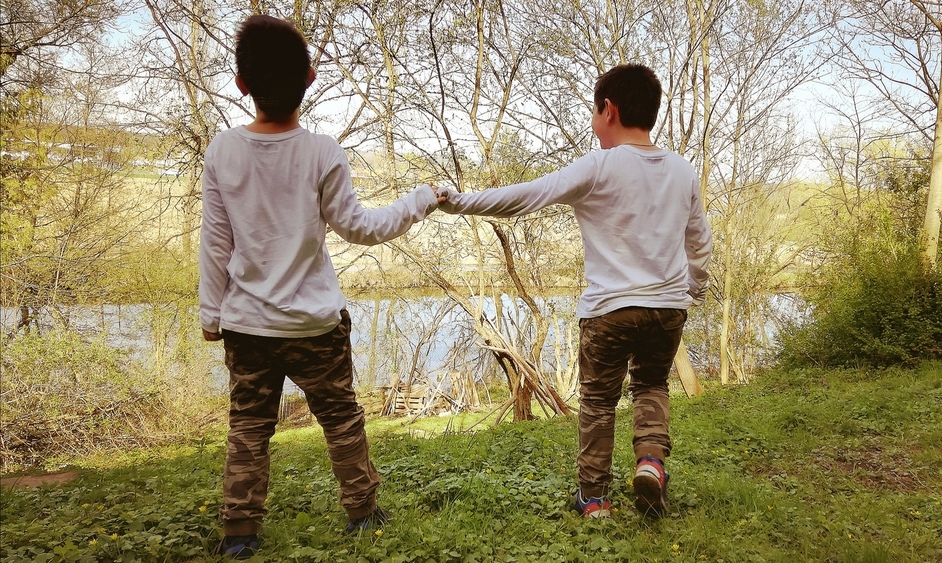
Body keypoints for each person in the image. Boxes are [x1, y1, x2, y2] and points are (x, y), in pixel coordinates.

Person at [198, 15, 444, 558]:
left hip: (246, 325)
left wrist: (211, 314)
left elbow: (215, 242)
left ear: (241, 84)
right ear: (310, 79)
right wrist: (420, 199)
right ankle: (363, 514)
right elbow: (360, 228)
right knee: (340, 419)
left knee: (248, 428)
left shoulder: (222, 151)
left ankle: (240, 535)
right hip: (315, 325)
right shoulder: (322, 152)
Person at [438, 64, 712, 519]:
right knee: (651, 386)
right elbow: (699, 241)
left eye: (594, 111)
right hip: (667, 309)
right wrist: (693, 289)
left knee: (599, 402)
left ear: (609, 109)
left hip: (609, 311)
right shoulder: (682, 170)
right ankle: (650, 462)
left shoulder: (600, 166)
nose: (593, 121)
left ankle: (595, 499)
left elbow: (526, 196)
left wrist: (459, 202)